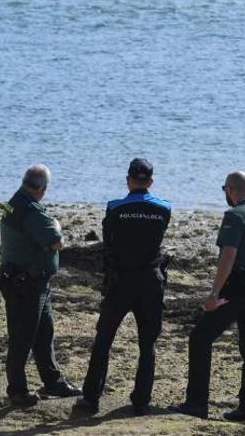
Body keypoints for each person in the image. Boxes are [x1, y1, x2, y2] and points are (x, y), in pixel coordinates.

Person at [169, 171, 245, 421]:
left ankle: (196, 403)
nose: (225, 194)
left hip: (238, 287)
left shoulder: (234, 215)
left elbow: (228, 255)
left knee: (200, 337)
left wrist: (214, 294)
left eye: (224, 189)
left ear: (231, 190)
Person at [73, 158, 172, 416]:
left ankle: (91, 398)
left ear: (128, 180)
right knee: (147, 344)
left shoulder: (115, 208)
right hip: (150, 281)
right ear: (150, 182)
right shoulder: (164, 209)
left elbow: (109, 244)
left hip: (121, 281)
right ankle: (141, 401)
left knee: (104, 340)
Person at [0, 164, 81, 407]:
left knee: (44, 334)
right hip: (26, 284)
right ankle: (17, 390)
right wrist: (56, 225)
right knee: (22, 338)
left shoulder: (14, 202)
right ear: (43, 189)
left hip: (29, 281)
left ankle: (53, 381)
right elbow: (56, 241)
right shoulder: (30, 209)